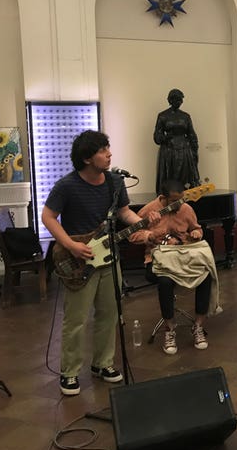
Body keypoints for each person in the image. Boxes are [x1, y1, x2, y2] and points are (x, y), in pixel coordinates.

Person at [42, 130, 160, 396]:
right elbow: (48, 217)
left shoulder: (115, 182)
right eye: (102, 150)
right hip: (79, 260)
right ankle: (69, 372)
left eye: (108, 148)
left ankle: (103, 364)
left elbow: (124, 212)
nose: (109, 154)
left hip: (110, 257)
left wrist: (144, 221)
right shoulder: (67, 186)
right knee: (76, 319)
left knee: (110, 313)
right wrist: (71, 245)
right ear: (86, 158)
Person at [129, 179, 220, 355]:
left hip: (185, 255)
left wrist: (196, 233)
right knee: (165, 281)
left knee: (206, 274)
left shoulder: (186, 208)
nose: (179, 205)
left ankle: (198, 326)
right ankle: (169, 329)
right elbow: (132, 236)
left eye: (181, 200)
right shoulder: (149, 210)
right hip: (159, 258)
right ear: (163, 198)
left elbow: (197, 228)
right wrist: (149, 235)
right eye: (174, 201)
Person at [154, 88, 200, 194]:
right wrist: (165, 137)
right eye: (177, 100)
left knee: (184, 179)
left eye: (180, 100)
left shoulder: (185, 116)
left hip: (184, 151)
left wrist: (194, 151)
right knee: (170, 178)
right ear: (170, 100)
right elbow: (157, 136)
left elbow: (192, 134)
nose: (179, 102)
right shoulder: (163, 116)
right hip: (168, 151)